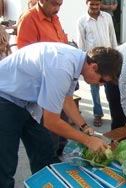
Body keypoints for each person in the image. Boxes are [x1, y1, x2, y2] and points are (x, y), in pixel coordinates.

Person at [0, 42, 123, 188]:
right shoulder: (62, 68)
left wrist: (84, 127)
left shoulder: (76, 63)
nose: (101, 85)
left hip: (28, 103)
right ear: (94, 67)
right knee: (5, 164)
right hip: (5, 98)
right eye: (102, 80)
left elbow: (67, 100)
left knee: (44, 153)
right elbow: (51, 122)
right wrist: (88, 141)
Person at [17, 0, 70, 156]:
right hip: (44, 84)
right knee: (50, 129)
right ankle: (51, 159)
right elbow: (25, 56)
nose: (57, 9)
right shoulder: (29, 19)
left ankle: (62, 149)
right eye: (54, 4)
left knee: (63, 121)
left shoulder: (54, 17)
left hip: (59, 80)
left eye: (60, 5)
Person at [76, 0, 117, 127]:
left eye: (97, 4)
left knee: (111, 88)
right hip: (92, 61)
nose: (94, 7)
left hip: (109, 59)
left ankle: (115, 113)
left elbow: (112, 37)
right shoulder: (82, 21)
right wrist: (83, 65)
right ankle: (98, 114)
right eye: (91, 4)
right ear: (86, 3)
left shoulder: (107, 17)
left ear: (100, 4)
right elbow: (81, 43)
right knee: (94, 89)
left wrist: (117, 54)